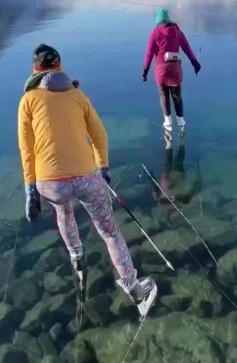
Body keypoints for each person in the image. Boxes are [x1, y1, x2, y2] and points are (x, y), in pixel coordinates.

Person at [18, 43, 157, 317]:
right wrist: (102, 168)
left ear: (35, 69)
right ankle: (134, 289)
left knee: (63, 211)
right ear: (60, 66)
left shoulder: (28, 101)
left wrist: (30, 191)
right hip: (86, 178)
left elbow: (27, 149)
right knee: (110, 233)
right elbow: (100, 135)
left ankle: (76, 256)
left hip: (51, 184)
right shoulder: (78, 96)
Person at [142, 8, 201, 133]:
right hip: (175, 69)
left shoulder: (155, 33)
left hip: (161, 70)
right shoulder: (177, 32)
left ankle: (168, 123)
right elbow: (187, 48)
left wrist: (145, 70)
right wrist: (195, 63)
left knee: (164, 94)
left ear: (158, 21)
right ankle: (181, 122)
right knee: (176, 95)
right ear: (169, 20)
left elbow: (149, 54)